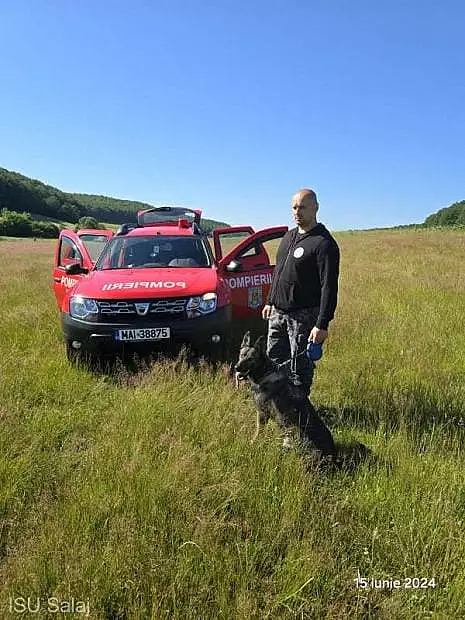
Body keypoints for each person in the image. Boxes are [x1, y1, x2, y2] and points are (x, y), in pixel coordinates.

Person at [262, 188, 340, 397]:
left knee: (299, 366)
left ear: (315, 208)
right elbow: (279, 271)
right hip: (278, 312)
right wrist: (270, 301)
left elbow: (329, 286)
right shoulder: (289, 237)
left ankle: (301, 410)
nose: (297, 212)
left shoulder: (324, 243)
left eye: (303, 207)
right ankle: (280, 403)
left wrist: (322, 324)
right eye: (294, 207)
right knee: (274, 358)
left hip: (303, 316)